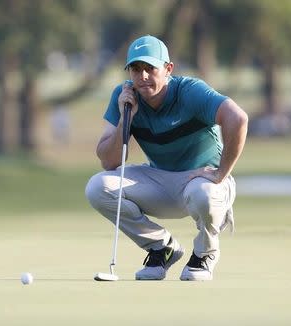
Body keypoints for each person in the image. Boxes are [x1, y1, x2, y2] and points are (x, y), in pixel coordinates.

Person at [85, 35, 248, 281]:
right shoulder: (125, 96)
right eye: (136, 69)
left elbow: (238, 118)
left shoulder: (190, 91)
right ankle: (162, 248)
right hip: (161, 181)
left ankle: (205, 253)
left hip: (203, 180)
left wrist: (220, 173)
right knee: (98, 187)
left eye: (150, 68)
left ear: (168, 69)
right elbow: (109, 162)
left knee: (202, 193)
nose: (143, 76)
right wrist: (124, 119)